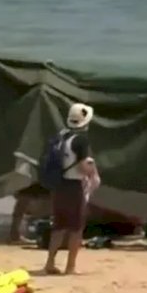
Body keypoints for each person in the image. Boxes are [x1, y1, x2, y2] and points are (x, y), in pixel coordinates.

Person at [43, 103, 96, 275]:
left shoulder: (62, 135)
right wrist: (92, 173)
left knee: (59, 226)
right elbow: (82, 166)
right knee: (76, 227)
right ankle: (70, 266)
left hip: (59, 184)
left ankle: (50, 262)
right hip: (74, 185)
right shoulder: (81, 140)